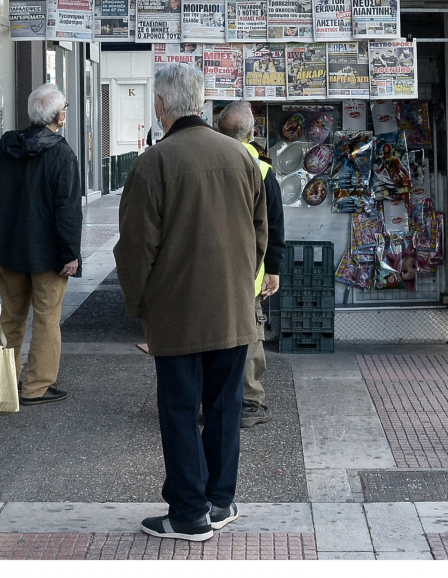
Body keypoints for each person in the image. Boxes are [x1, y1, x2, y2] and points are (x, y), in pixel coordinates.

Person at [115, 63, 266, 541]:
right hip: (234, 306)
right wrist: (242, 282)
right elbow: (260, 233)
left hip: (177, 311)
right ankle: (220, 502)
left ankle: (187, 512)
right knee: (225, 406)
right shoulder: (241, 156)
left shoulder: (153, 163)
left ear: (160, 107)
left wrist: (138, 305)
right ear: (200, 103)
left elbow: (137, 246)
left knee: (180, 410)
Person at [0, 83, 81, 406]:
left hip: (7, 248)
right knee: (46, 318)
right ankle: (36, 386)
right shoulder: (61, 153)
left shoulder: (5, 145)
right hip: (47, 253)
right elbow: (66, 208)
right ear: (59, 115)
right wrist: (71, 253)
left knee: (8, 317)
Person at [216, 101, 285, 428]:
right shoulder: (262, 169)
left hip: (209, 273)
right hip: (249, 274)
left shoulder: (204, 161)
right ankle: (249, 405)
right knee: (249, 337)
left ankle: (213, 404)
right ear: (252, 133)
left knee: (212, 338)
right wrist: (273, 268)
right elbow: (274, 224)